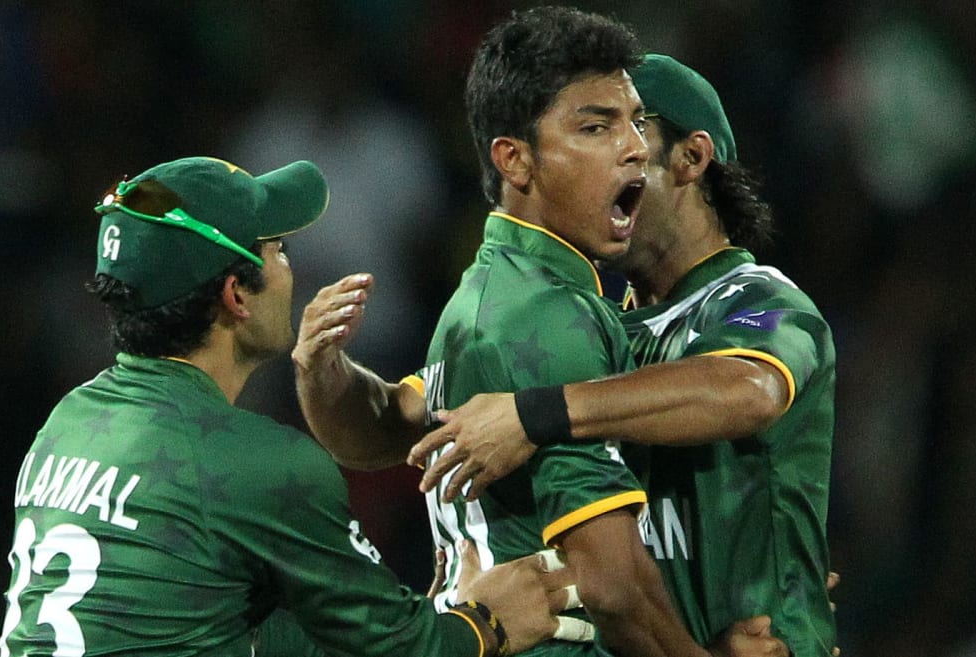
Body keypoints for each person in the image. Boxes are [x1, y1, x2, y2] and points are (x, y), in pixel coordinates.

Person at [293, 8, 786, 657]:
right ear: (515, 161)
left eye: (636, 122)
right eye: (595, 126)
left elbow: (389, 423)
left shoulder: (486, 294)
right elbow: (613, 588)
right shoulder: (551, 318)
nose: (632, 146)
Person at [0, 155, 575, 657]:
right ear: (235, 294)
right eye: (279, 248)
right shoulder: (259, 463)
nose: (289, 266)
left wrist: (390, 627)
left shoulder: (68, 421)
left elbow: (205, 625)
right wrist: (482, 626)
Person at [407, 54, 838, 657]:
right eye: (598, 131)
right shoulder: (593, 325)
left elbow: (748, 392)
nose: (620, 153)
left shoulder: (759, 298)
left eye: (637, 129)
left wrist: (535, 413)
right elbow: (432, 419)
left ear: (690, 158)